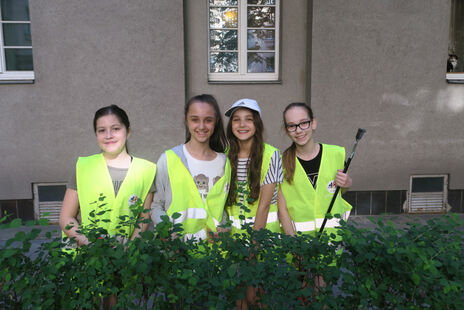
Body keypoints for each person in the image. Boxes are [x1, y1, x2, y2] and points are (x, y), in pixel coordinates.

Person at [60, 105, 156, 247]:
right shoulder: (84, 167)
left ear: (128, 131)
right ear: (96, 134)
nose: (109, 135)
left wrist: (128, 249)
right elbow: (66, 217)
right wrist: (90, 245)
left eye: (116, 128)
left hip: (126, 260)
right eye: (102, 130)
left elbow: (144, 218)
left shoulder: (147, 170)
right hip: (87, 256)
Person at [224, 98, 284, 309]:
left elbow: (264, 205)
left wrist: (254, 246)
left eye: (248, 119)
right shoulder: (225, 156)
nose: (242, 125)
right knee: (239, 298)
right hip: (234, 238)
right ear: (230, 126)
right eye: (236, 120)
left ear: (257, 124)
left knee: (255, 297)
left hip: (261, 237)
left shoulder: (271, 154)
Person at [151, 94, 229, 241]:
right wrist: (165, 229)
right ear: (186, 120)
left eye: (208, 120)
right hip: (178, 253)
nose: (201, 126)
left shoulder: (225, 163)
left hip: (215, 255)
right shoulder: (168, 159)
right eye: (195, 119)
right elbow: (156, 205)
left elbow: (225, 209)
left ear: (216, 122)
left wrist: (226, 227)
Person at [278, 102, 352, 237]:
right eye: (292, 125)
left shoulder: (336, 154)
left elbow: (340, 191)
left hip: (332, 241)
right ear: (286, 130)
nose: (299, 130)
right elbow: (282, 210)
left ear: (314, 123)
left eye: (303, 123)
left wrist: (347, 184)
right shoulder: (281, 163)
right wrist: (294, 245)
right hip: (300, 245)